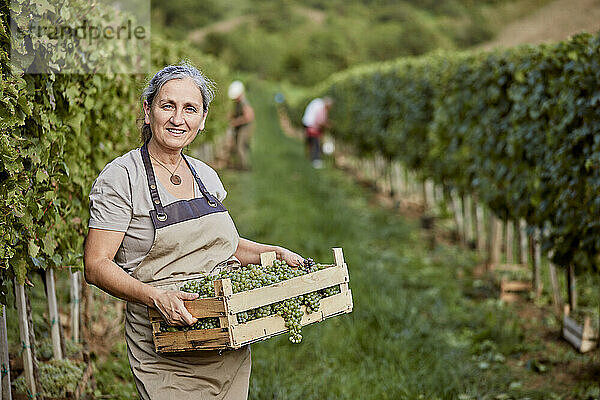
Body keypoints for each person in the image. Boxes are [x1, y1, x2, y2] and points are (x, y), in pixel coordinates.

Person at [83, 63, 304, 400]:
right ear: (148, 111)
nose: (177, 118)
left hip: (226, 342)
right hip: (166, 348)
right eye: (167, 105)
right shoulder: (121, 179)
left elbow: (223, 247)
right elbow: (96, 264)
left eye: (190, 109)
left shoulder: (205, 176)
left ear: (202, 120)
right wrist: (156, 297)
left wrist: (272, 254)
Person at [226, 80, 254, 170]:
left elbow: (249, 117)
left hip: (245, 127)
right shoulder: (238, 103)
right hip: (241, 127)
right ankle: (240, 164)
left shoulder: (244, 103)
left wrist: (235, 122)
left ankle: (244, 166)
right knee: (238, 145)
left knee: (240, 145)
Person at [302, 96, 332, 169]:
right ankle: (316, 160)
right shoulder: (321, 108)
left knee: (311, 142)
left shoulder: (317, 103)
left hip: (308, 124)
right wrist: (327, 124)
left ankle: (310, 157)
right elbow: (319, 120)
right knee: (316, 143)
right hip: (313, 127)